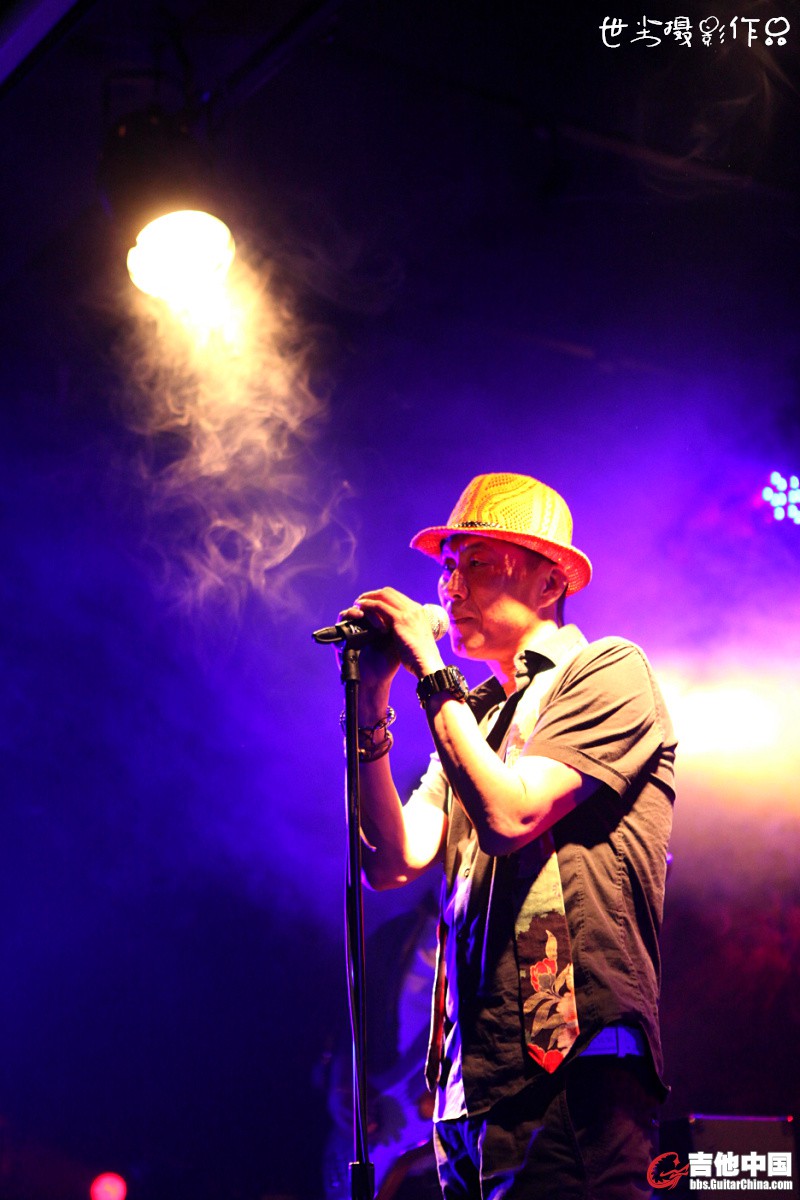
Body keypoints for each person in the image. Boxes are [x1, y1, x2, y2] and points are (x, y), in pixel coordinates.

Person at [338, 472, 676, 1200]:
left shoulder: (610, 669)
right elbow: (393, 861)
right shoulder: (476, 719)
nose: (450, 586)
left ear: (551, 581)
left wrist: (430, 673)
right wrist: (371, 708)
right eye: (447, 566)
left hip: (572, 1066)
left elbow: (509, 816)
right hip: (469, 1087)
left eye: (477, 562)